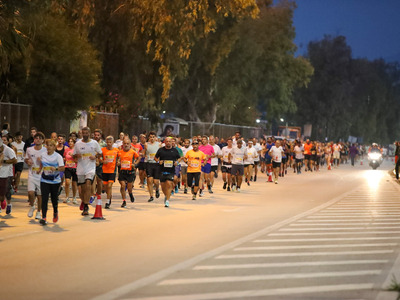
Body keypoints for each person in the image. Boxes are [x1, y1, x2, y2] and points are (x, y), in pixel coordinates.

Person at [73, 127, 102, 216]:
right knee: (82, 190)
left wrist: (95, 156)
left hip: (90, 168)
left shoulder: (94, 143)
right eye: (83, 133)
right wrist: (76, 156)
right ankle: (84, 200)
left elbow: (100, 153)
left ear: (89, 133)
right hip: (81, 169)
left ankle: (86, 206)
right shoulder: (78, 144)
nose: (85, 135)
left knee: (88, 183)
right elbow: (74, 156)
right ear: (82, 133)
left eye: (86, 133)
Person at [38, 139, 65, 225]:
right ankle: (44, 217)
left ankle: (55, 212)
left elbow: (62, 168)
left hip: (55, 181)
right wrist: (39, 169)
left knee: (54, 199)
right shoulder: (43, 155)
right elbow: (42, 164)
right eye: (47, 145)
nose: (48, 147)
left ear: (54, 147)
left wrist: (56, 169)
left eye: (51, 145)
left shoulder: (58, 156)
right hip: (44, 180)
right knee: (44, 199)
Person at [154, 137, 181, 207]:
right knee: (163, 187)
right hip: (162, 170)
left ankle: (167, 201)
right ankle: (166, 195)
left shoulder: (174, 150)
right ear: (164, 142)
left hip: (171, 170)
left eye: (169, 141)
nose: (168, 143)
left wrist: (177, 162)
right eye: (167, 141)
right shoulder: (161, 150)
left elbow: (179, 158)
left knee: (169, 184)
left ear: (172, 142)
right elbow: (155, 157)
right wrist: (158, 161)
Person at [25, 131, 47, 219]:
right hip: (32, 173)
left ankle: (38, 212)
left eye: (40, 138)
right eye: (36, 138)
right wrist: (28, 161)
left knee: (39, 195)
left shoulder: (45, 150)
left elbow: (50, 161)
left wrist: (42, 161)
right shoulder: (29, 149)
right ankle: (32, 206)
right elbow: (26, 158)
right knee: (30, 193)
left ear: (42, 140)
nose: (38, 140)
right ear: (34, 140)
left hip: (42, 175)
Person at [117, 138, 140, 207]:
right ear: (122, 144)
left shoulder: (133, 152)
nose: (126, 145)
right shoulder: (120, 152)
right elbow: (117, 160)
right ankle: (124, 201)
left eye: (127, 144)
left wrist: (135, 164)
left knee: (129, 187)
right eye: (125, 143)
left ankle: (130, 194)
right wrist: (118, 163)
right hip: (122, 171)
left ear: (130, 144)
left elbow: (138, 158)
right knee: (123, 186)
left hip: (130, 172)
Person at [101, 136, 119, 209]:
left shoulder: (116, 150)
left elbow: (120, 157)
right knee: (106, 188)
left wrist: (118, 162)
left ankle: (108, 201)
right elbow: (98, 157)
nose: (109, 144)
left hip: (112, 171)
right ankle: (109, 196)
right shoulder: (103, 150)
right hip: (104, 170)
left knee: (109, 186)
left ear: (113, 142)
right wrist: (102, 161)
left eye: (110, 142)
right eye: (107, 142)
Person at [0, 139, 17, 215]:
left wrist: (3, 161)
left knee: (6, 190)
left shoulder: (8, 150)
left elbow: (15, 160)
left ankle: (9, 204)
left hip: (7, 174)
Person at [144, 132, 161, 202]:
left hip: (156, 164)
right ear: (149, 138)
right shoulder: (146, 144)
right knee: (149, 180)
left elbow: (160, 153)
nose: (152, 138)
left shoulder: (159, 144)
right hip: (149, 163)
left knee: (156, 181)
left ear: (155, 137)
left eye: (153, 137)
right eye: (151, 137)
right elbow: (145, 153)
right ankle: (151, 195)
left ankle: (157, 189)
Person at [63, 137, 78, 204]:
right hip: (67, 167)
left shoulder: (76, 150)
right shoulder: (66, 150)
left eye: (71, 141)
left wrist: (73, 155)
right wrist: (64, 159)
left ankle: (74, 197)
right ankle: (67, 196)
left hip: (75, 167)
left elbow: (78, 159)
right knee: (67, 182)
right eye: (69, 141)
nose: (70, 143)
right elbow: (64, 157)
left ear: (74, 143)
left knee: (74, 184)